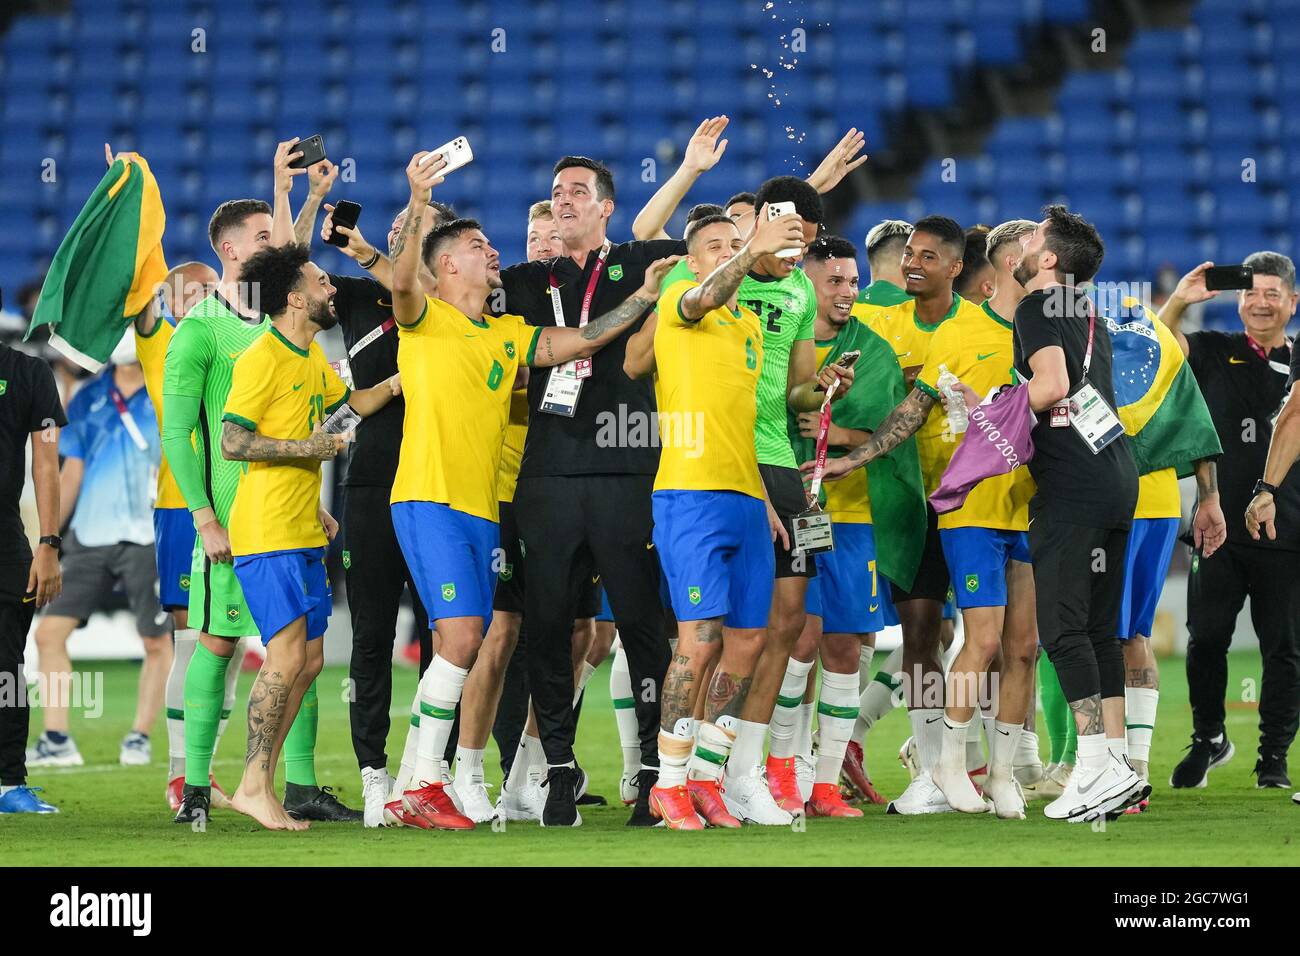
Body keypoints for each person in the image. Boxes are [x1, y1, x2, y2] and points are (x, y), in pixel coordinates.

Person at [387, 151, 679, 830]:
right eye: (475, 245)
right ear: (447, 268)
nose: (491, 250)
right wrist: (419, 198)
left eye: (578, 191)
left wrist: (641, 299)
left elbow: (578, 341)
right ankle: (443, 779)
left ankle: (648, 774)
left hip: (506, 498)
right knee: (481, 635)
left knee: (543, 631)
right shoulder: (432, 313)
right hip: (462, 493)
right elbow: (401, 277)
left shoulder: (508, 331)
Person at [490, 155, 683, 827]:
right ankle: (560, 772)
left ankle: (656, 771)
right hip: (545, 473)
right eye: (555, 192)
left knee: (641, 628)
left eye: (578, 191)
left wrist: (689, 168)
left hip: (628, 467)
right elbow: (437, 292)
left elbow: (717, 254)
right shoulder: (522, 281)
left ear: (606, 206)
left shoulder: (637, 263)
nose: (564, 200)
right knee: (546, 627)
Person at [163, 140, 351, 824]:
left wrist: (307, 196)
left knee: (298, 648)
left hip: (289, 511)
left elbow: (293, 265)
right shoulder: (201, 331)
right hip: (232, 518)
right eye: (267, 237)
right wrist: (205, 516)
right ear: (234, 252)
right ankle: (190, 787)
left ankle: (293, 784)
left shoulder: (276, 327)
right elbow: (178, 433)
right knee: (216, 641)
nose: (284, 244)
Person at [220, 243, 400, 830]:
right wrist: (307, 450)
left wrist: (400, 382)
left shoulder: (311, 356)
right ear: (296, 298)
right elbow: (233, 441)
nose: (333, 290)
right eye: (322, 282)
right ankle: (252, 785)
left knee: (310, 659)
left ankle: (262, 784)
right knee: (286, 655)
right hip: (267, 528)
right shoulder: (262, 358)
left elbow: (344, 413)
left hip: (302, 530)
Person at [810, 216, 980, 815]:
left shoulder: (979, 327)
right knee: (921, 633)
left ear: (955, 268)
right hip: (910, 500)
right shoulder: (880, 323)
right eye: (908, 253)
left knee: (1005, 639)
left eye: (927, 257)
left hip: (983, 498)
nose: (911, 264)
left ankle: (1006, 766)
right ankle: (933, 770)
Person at [636, 211, 794, 828]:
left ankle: (707, 777)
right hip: (691, 496)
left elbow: (740, 422)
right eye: (717, 246)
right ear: (692, 259)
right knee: (697, 642)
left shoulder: (752, 324)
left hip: (743, 497)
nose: (731, 252)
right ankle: (667, 782)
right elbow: (705, 294)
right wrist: (753, 246)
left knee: (749, 641)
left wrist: (763, 500)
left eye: (737, 242)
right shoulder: (681, 298)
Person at [306, 178, 454, 827]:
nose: (402, 235)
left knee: (443, 635)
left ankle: (431, 771)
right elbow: (286, 268)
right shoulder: (362, 296)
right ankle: (375, 776)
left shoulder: (461, 308)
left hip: (442, 486)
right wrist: (307, 201)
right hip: (371, 484)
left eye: (415, 229)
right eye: (400, 228)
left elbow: (418, 291)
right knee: (371, 635)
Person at [1009, 205, 1147, 821]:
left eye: (1033, 236)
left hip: (1072, 487)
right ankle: (1115, 766)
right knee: (1097, 629)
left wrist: (993, 412)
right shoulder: (1089, 315)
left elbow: (1052, 387)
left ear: (1047, 261)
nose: (1021, 241)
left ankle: (1092, 768)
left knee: (1062, 630)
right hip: (1117, 478)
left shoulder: (1036, 307)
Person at [909, 218, 1040, 820]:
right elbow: (917, 411)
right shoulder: (959, 331)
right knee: (980, 640)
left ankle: (1006, 774)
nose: (1051, 265)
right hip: (972, 509)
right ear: (1012, 264)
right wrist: (854, 457)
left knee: (1024, 647)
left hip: (1033, 509)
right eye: (1041, 255)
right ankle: (946, 763)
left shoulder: (1050, 334)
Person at [1165, 253, 1300, 790]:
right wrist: (1180, 299)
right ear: (1238, 300)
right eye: (1250, 293)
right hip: (1216, 525)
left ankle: (1273, 757)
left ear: (1293, 301)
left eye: (1272, 293)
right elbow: (1156, 347)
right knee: (1206, 638)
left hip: (1288, 528)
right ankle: (1209, 738)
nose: (1260, 302)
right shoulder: (1215, 350)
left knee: (1284, 647)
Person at [27, 335, 172, 769]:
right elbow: (71, 471)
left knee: (155, 639)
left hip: (151, 532)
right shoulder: (89, 395)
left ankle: (139, 736)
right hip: (90, 534)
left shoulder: (169, 386)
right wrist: (46, 536)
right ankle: (56, 738)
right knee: (48, 633)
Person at [134, 261, 230, 811]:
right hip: (181, 509)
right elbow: (142, 312)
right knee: (190, 644)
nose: (201, 299)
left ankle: (203, 771)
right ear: (168, 301)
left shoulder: (230, 342)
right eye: (189, 292)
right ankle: (179, 775)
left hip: (237, 503)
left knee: (228, 647)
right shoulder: (163, 341)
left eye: (211, 290)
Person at [0, 339, 64, 814]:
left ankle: (7, 784)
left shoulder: (28, 372)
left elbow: (46, 461)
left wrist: (48, 543)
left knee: (7, 664)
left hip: (5, 537)